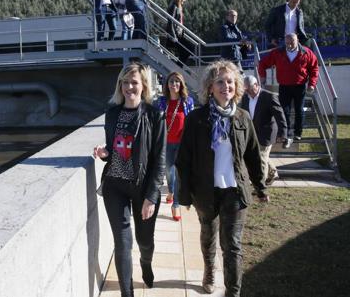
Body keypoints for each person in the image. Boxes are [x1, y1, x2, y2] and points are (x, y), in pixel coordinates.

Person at [175, 60, 268, 297]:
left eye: (230, 81)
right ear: (210, 87)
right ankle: (209, 271)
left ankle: (233, 292)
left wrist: (260, 186)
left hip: (235, 192)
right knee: (209, 235)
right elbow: (183, 160)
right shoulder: (197, 119)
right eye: (220, 81)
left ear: (236, 86)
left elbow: (254, 156)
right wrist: (184, 195)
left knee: (233, 246)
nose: (225, 85)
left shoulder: (243, 117)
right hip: (205, 192)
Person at [93, 62, 165, 296]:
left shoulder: (155, 115)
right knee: (122, 243)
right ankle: (127, 293)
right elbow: (116, 149)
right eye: (125, 82)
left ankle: (146, 262)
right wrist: (105, 153)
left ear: (143, 85)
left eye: (134, 82)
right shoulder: (112, 113)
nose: (129, 87)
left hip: (142, 188)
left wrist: (152, 197)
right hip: (115, 185)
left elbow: (159, 160)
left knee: (145, 241)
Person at [257, 33, 319, 148]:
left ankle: (298, 133)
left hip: (299, 86)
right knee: (284, 111)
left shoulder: (306, 52)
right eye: (287, 43)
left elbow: (314, 68)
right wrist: (263, 76)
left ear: (297, 41)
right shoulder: (278, 52)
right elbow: (263, 63)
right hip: (284, 86)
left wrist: (312, 84)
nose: (289, 45)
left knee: (299, 110)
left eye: (292, 42)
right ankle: (287, 135)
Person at [154, 71, 194, 221]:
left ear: (181, 84)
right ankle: (170, 191)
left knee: (177, 174)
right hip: (165, 143)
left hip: (182, 144)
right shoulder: (161, 102)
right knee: (168, 172)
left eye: (177, 81)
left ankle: (175, 204)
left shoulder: (187, 101)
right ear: (167, 84)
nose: (174, 84)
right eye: (171, 81)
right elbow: (156, 123)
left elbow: (191, 122)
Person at [241, 75, 288, 185]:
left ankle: (260, 186)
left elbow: (280, 115)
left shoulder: (269, 96)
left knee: (261, 158)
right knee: (262, 155)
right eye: (245, 89)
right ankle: (273, 173)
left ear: (256, 85)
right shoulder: (245, 97)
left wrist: (283, 133)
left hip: (267, 133)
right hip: (252, 132)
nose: (247, 91)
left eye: (249, 88)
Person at [165, 0, 191, 65]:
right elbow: (171, 22)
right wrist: (173, 36)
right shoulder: (174, 7)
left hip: (179, 34)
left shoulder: (178, 7)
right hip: (175, 35)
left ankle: (178, 65)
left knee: (187, 50)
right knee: (188, 49)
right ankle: (178, 65)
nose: (185, 0)